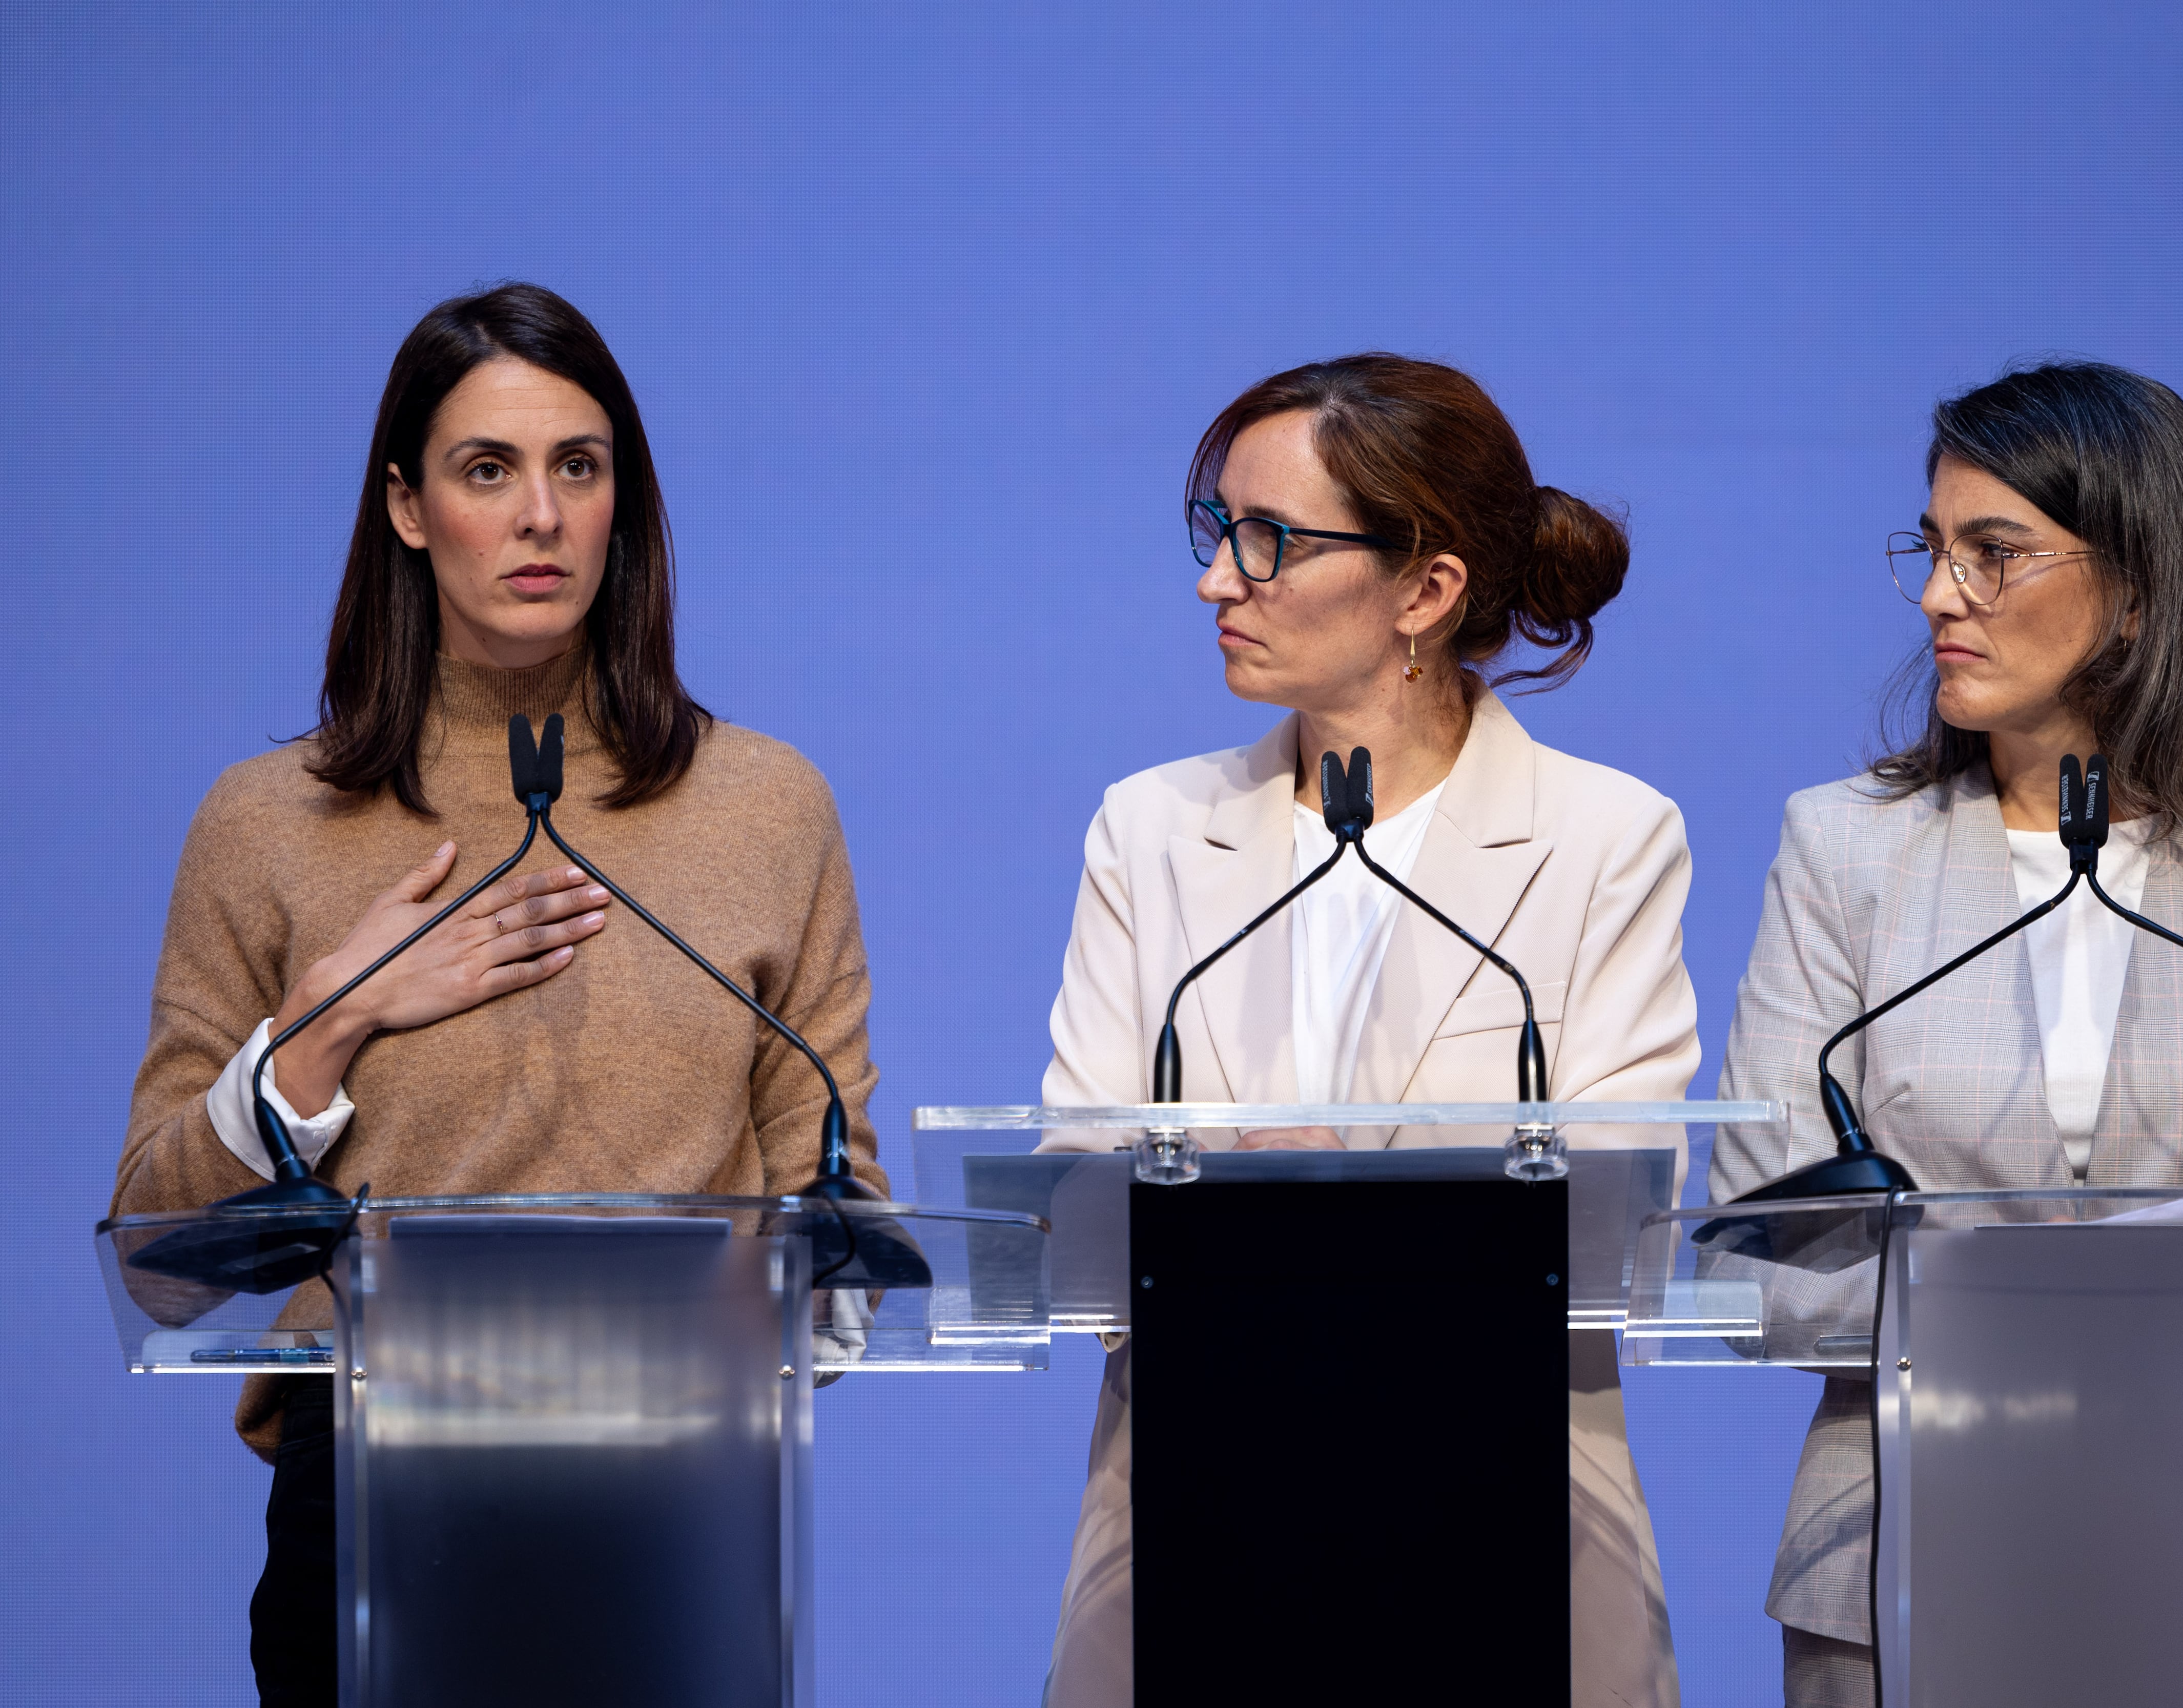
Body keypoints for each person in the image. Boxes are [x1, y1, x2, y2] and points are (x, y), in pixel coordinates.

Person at [111, 283, 886, 1706]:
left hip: (679, 1503)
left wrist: (732, 1340)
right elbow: (160, 1254)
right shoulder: (269, 821)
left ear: (620, 504)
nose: (540, 516)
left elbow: (846, 1218)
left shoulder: (768, 807)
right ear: (408, 508)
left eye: (577, 468)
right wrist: (328, 1027)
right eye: (489, 470)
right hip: (371, 1503)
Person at [1710, 360, 2183, 1706]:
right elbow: (1768, 1254)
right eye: (1931, 552)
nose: (1938, 597)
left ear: (2143, 590)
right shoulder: (1847, 848)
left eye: (1993, 555)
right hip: (1896, 1562)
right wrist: (2051, 1302)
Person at [1036, 354, 1700, 1706]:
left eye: (1269, 541)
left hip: (1505, 1514)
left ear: (1425, 589)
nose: (1219, 581)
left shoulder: (1604, 839)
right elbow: (1073, 1188)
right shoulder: (1149, 832)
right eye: (1216, 532)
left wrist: (1310, 1196)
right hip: (1196, 1518)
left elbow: (1619, 1198)